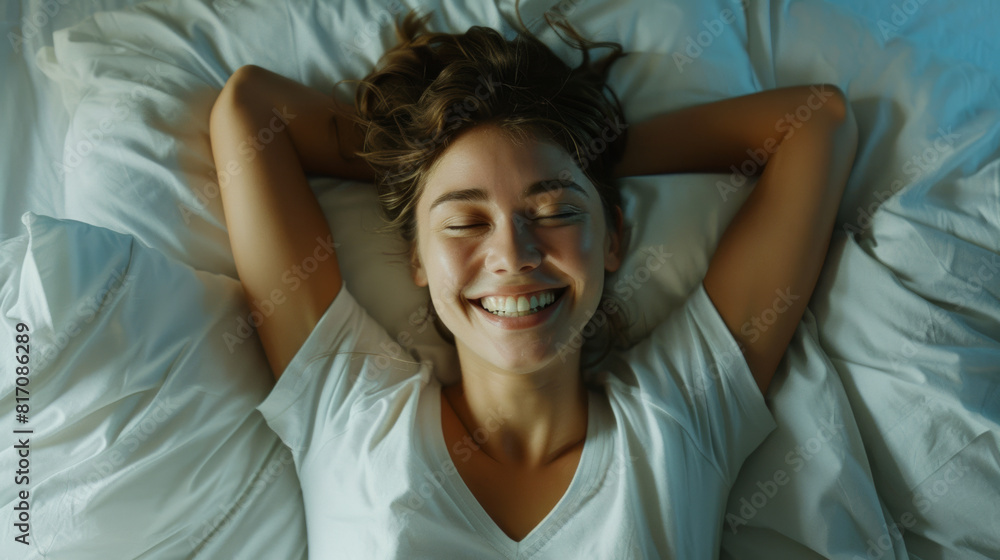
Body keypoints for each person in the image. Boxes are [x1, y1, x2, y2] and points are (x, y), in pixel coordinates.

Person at [207, 6, 857, 558]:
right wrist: (422, 158)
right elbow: (250, 110)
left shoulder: (683, 417)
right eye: (464, 223)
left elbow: (815, 122)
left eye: (553, 212)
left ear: (613, 239)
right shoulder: (344, 404)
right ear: (416, 261)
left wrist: (586, 151)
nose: (512, 254)